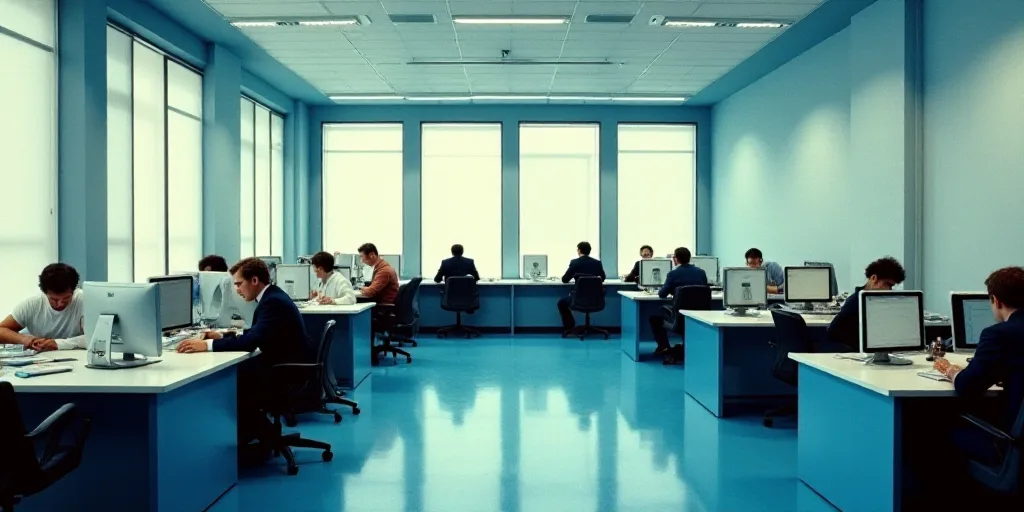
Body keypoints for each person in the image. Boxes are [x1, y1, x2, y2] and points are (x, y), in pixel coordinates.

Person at [176, 258, 314, 444]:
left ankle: (258, 436)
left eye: (239, 284)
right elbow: (258, 333)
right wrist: (221, 336)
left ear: (254, 281)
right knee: (238, 375)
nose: (237, 290)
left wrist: (207, 345)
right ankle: (260, 434)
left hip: (286, 373)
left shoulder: (272, 302)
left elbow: (250, 343)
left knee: (230, 382)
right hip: (286, 365)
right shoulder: (272, 296)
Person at [933, 267, 1024, 444]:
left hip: (1012, 442)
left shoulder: (998, 334)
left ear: (996, 301)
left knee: (937, 424)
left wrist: (951, 371)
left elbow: (967, 387)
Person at [0, 263, 86, 352]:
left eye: (66, 298)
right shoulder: (32, 304)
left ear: (74, 290)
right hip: (42, 358)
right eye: (54, 299)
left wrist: (58, 344)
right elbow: (1, 330)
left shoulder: (84, 301)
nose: (60, 304)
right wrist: (23, 339)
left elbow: (93, 339)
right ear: (45, 293)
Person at [826, 256, 906, 351]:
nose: (889, 290)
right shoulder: (855, 302)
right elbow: (834, 333)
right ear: (874, 278)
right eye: (888, 284)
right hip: (853, 352)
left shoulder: (876, 302)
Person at [648, 247, 709, 354]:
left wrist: (673, 290)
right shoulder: (701, 272)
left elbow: (662, 294)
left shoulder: (673, 274)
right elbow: (703, 289)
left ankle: (664, 347)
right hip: (699, 317)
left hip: (679, 318)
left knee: (654, 318)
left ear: (676, 259)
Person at [557, 242, 607, 331]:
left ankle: (569, 327)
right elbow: (603, 278)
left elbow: (565, 279)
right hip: (595, 299)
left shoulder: (575, 262)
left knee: (561, 303)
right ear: (589, 251)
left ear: (579, 250)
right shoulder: (597, 263)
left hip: (578, 299)